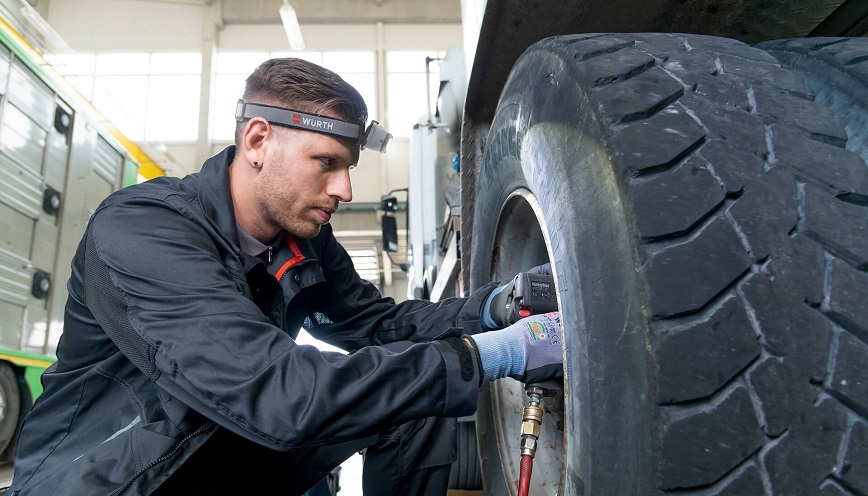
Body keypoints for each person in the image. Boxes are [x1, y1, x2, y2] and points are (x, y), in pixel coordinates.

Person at [7, 58, 562, 496]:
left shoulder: (302, 239)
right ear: (256, 141)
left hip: (225, 448)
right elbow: (277, 393)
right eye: (327, 163)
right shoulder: (144, 230)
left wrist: (495, 308)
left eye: (350, 167)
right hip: (117, 478)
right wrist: (492, 355)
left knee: (410, 405)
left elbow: (378, 325)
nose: (345, 189)